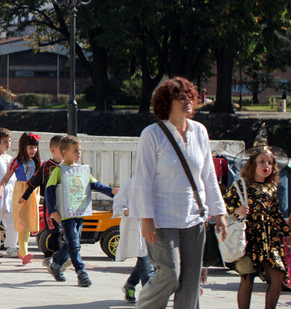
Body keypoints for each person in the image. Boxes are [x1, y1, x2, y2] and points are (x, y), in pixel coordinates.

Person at [133, 77, 228, 308]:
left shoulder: (200, 132)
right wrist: (146, 218)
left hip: (195, 218)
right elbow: (142, 180)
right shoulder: (152, 134)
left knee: (191, 282)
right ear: (167, 102)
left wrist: (220, 213)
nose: (187, 101)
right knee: (170, 274)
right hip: (161, 220)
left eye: (189, 97)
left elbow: (208, 177)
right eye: (180, 97)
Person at [45, 134, 117, 287]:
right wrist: (52, 210)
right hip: (66, 214)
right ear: (65, 152)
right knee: (74, 243)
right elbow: (49, 190)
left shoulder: (82, 170)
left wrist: (112, 191)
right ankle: (81, 272)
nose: (79, 153)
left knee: (73, 242)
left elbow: (95, 185)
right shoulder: (58, 170)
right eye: (76, 151)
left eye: (80, 150)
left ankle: (56, 265)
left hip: (80, 210)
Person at [224, 146, 291, 309]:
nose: (266, 165)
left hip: (269, 239)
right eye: (262, 161)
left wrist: (287, 232)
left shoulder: (272, 187)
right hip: (247, 238)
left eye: (270, 162)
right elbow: (224, 205)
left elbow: (275, 213)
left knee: (278, 275)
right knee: (247, 278)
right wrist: (236, 210)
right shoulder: (241, 185)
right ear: (252, 164)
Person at [0, 132, 41, 265]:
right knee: (22, 221)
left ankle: (23, 250)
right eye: (30, 147)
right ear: (23, 147)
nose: (33, 150)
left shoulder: (38, 162)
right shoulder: (16, 163)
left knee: (29, 223)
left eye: (35, 147)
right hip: (21, 193)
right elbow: (5, 178)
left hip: (33, 193)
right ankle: (23, 251)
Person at [21, 134, 65, 267]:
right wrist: (24, 197)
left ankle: (48, 256)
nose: (65, 152)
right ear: (53, 150)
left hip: (64, 205)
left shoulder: (68, 166)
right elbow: (33, 182)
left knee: (59, 232)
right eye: (62, 149)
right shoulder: (46, 166)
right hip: (50, 205)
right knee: (55, 230)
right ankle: (59, 260)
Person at [113, 177, 153, 304]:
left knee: (145, 263)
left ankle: (130, 285)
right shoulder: (129, 185)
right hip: (138, 231)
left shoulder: (161, 184)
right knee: (147, 265)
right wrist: (127, 211)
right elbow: (117, 207)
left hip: (156, 231)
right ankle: (150, 300)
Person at [0, 128, 17, 257]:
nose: (8, 144)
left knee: (12, 222)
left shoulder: (11, 158)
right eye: (5, 141)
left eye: (9, 141)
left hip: (10, 194)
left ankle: (12, 246)